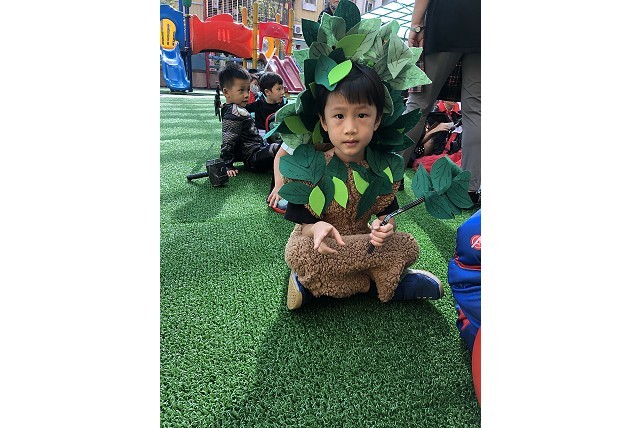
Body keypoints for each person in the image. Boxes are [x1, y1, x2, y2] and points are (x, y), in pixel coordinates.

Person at [280, 62, 444, 310]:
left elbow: (387, 215)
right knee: (301, 253)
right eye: (339, 116)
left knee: (407, 245)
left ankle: (318, 285)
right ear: (323, 121)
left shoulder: (382, 168)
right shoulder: (310, 167)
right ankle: (377, 282)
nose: (350, 128)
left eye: (362, 115)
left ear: (377, 120)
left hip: (363, 241)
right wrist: (317, 227)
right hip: (321, 244)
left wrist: (385, 227)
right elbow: (304, 227)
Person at [401, 0, 481, 204]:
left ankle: (391, 175)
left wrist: (416, 24)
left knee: (418, 104)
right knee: (475, 111)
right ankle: (470, 190)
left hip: (447, 19)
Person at [219, 63, 280, 177]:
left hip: (256, 149)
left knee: (279, 146)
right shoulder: (233, 112)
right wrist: (227, 164)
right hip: (252, 158)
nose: (247, 95)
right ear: (226, 92)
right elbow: (228, 139)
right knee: (277, 148)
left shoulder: (236, 109)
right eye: (241, 90)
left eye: (248, 90)